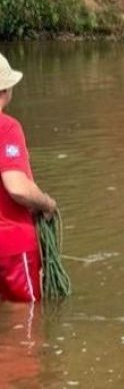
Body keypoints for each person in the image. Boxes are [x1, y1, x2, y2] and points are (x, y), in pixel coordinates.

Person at [0, 53, 57, 302]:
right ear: (5, 90)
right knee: (25, 322)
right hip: (11, 243)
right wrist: (46, 204)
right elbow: (17, 188)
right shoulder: (7, 127)